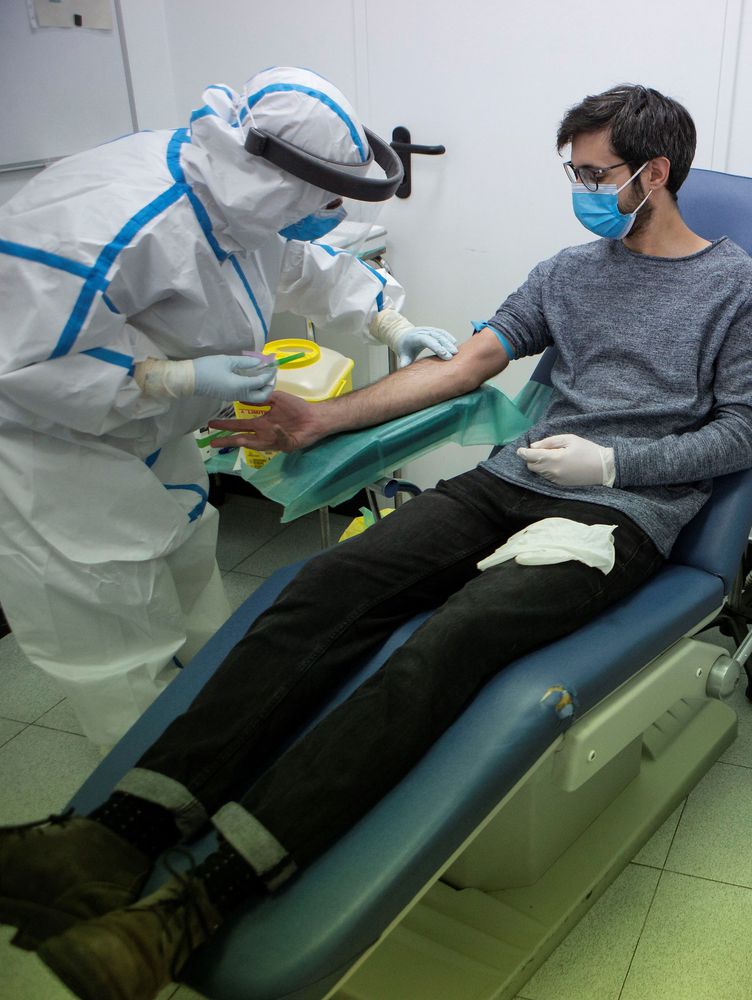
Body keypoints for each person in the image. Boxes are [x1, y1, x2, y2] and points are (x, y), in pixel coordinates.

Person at [0, 84, 752, 1000]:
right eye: (572, 170)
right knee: (324, 588)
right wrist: (320, 422)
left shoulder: (738, 289)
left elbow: (741, 435)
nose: (579, 187)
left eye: (593, 173)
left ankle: (198, 903)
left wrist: (614, 466)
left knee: (448, 644)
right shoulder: (570, 270)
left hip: (613, 516)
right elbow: (463, 367)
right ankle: (120, 832)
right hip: (507, 482)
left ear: (654, 173)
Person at [0, 67, 455, 750]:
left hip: (150, 435)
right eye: (325, 198)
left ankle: (219, 731)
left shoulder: (238, 197)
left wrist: (387, 323)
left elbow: (295, 260)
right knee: (115, 635)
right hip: (58, 452)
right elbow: (24, 363)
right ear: (279, 183)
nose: (330, 213)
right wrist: (171, 376)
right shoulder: (109, 225)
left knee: (189, 569)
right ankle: (138, 800)